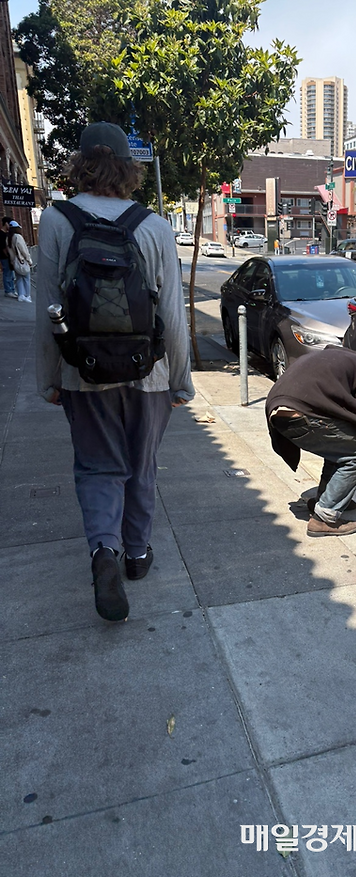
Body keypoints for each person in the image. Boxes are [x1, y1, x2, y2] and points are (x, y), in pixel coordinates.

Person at [36, 121, 195, 622]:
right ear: (129, 169)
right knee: (141, 466)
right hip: (148, 375)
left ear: (79, 165)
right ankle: (138, 554)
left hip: (83, 373)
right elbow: (172, 315)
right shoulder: (155, 226)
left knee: (98, 466)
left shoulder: (56, 220)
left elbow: (47, 308)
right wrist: (181, 381)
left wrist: (49, 379)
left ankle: (103, 550)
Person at [266, 347, 356, 536]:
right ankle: (324, 518)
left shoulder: (332, 356)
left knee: (338, 450)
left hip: (276, 410)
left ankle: (323, 503)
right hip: (302, 410)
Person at [7, 220, 33, 302]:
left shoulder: (8, 238)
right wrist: (29, 260)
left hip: (14, 261)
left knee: (19, 279)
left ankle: (21, 295)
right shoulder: (18, 237)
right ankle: (27, 295)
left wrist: (12, 261)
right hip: (22, 260)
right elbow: (23, 250)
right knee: (26, 278)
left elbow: (10, 252)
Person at [1, 216, 17, 298]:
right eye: (9, 224)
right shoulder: (1, 234)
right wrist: (8, 255)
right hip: (4, 257)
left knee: (11, 274)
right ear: (6, 223)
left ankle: (12, 289)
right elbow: (3, 247)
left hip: (9, 256)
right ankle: (8, 290)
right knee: (7, 273)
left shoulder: (7, 234)